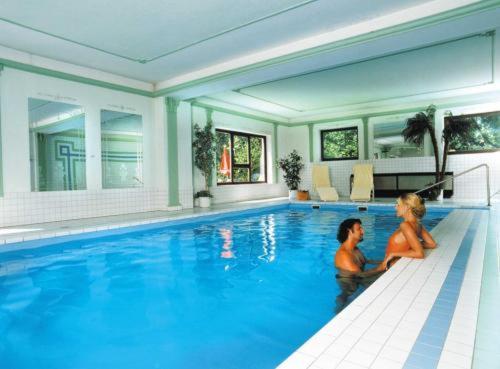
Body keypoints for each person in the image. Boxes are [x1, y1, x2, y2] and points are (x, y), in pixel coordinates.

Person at [382, 193, 437, 269]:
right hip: (389, 264)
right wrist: (412, 246)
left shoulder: (405, 225)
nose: (395, 207)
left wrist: (393, 254)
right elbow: (432, 244)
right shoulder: (417, 225)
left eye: (398, 204)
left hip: (387, 267)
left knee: (360, 276)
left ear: (407, 207)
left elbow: (420, 253)